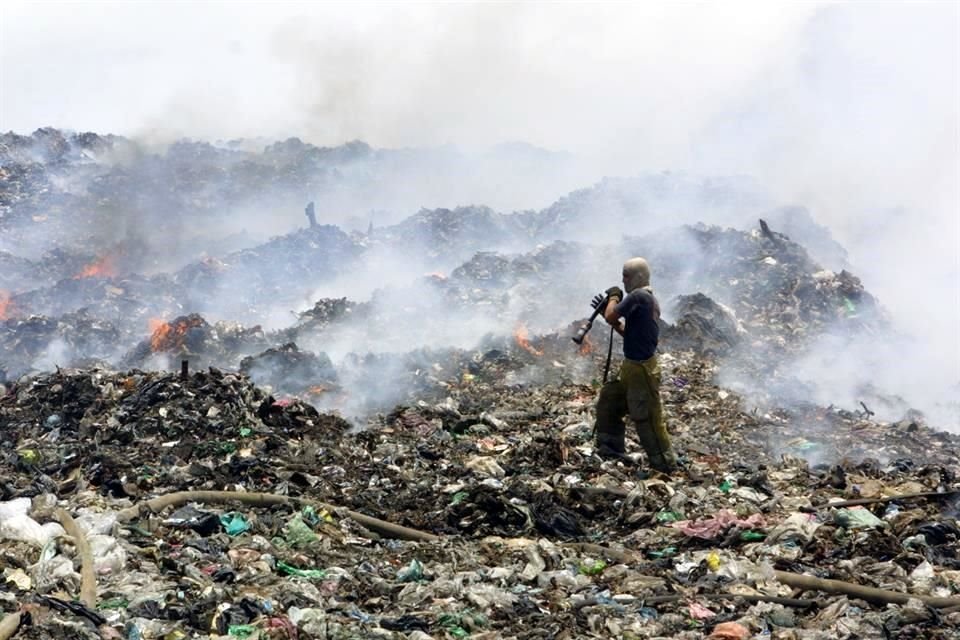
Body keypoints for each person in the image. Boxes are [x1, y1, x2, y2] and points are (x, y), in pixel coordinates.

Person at [592, 257, 678, 473]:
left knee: (646, 418)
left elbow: (613, 313)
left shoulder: (639, 296)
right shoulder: (642, 300)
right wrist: (608, 315)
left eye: (626, 275)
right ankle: (610, 448)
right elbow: (627, 333)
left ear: (639, 277)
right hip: (631, 366)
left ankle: (664, 465)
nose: (623, 280)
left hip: (642, 370)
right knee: (610, 402)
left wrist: (612, 297)